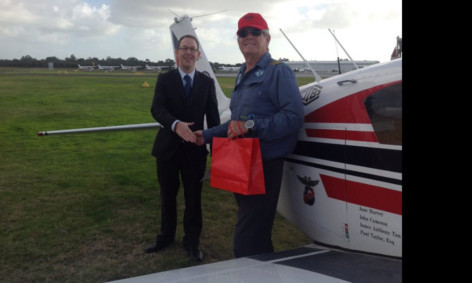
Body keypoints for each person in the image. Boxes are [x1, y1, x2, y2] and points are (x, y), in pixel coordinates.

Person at [195, 12, 304, 258]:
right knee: (258, 234)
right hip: (241, 162)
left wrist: (252, 126)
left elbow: (293, 117)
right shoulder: (242, 73)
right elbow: (236, 123)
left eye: (255, 32)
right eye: (243, 33)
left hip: (263, 166)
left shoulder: (279, 72)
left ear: (267, 38)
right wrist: (207, 135)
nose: (249, 37)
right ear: (238, 41)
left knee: (245, 242)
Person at [146, 34, 221, 261]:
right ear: (177, 53)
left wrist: (216, 151)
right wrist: (175, 124)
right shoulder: (164, 79)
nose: (188, 52)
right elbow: (157, 109)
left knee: (193, 198)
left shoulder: (206, 83)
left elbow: (214, 119)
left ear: (198, 55)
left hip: (194, 152)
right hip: (167, 150)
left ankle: (191, 241)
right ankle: (166, 236)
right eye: (184, 48)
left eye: (192, 49)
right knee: (167, 196)